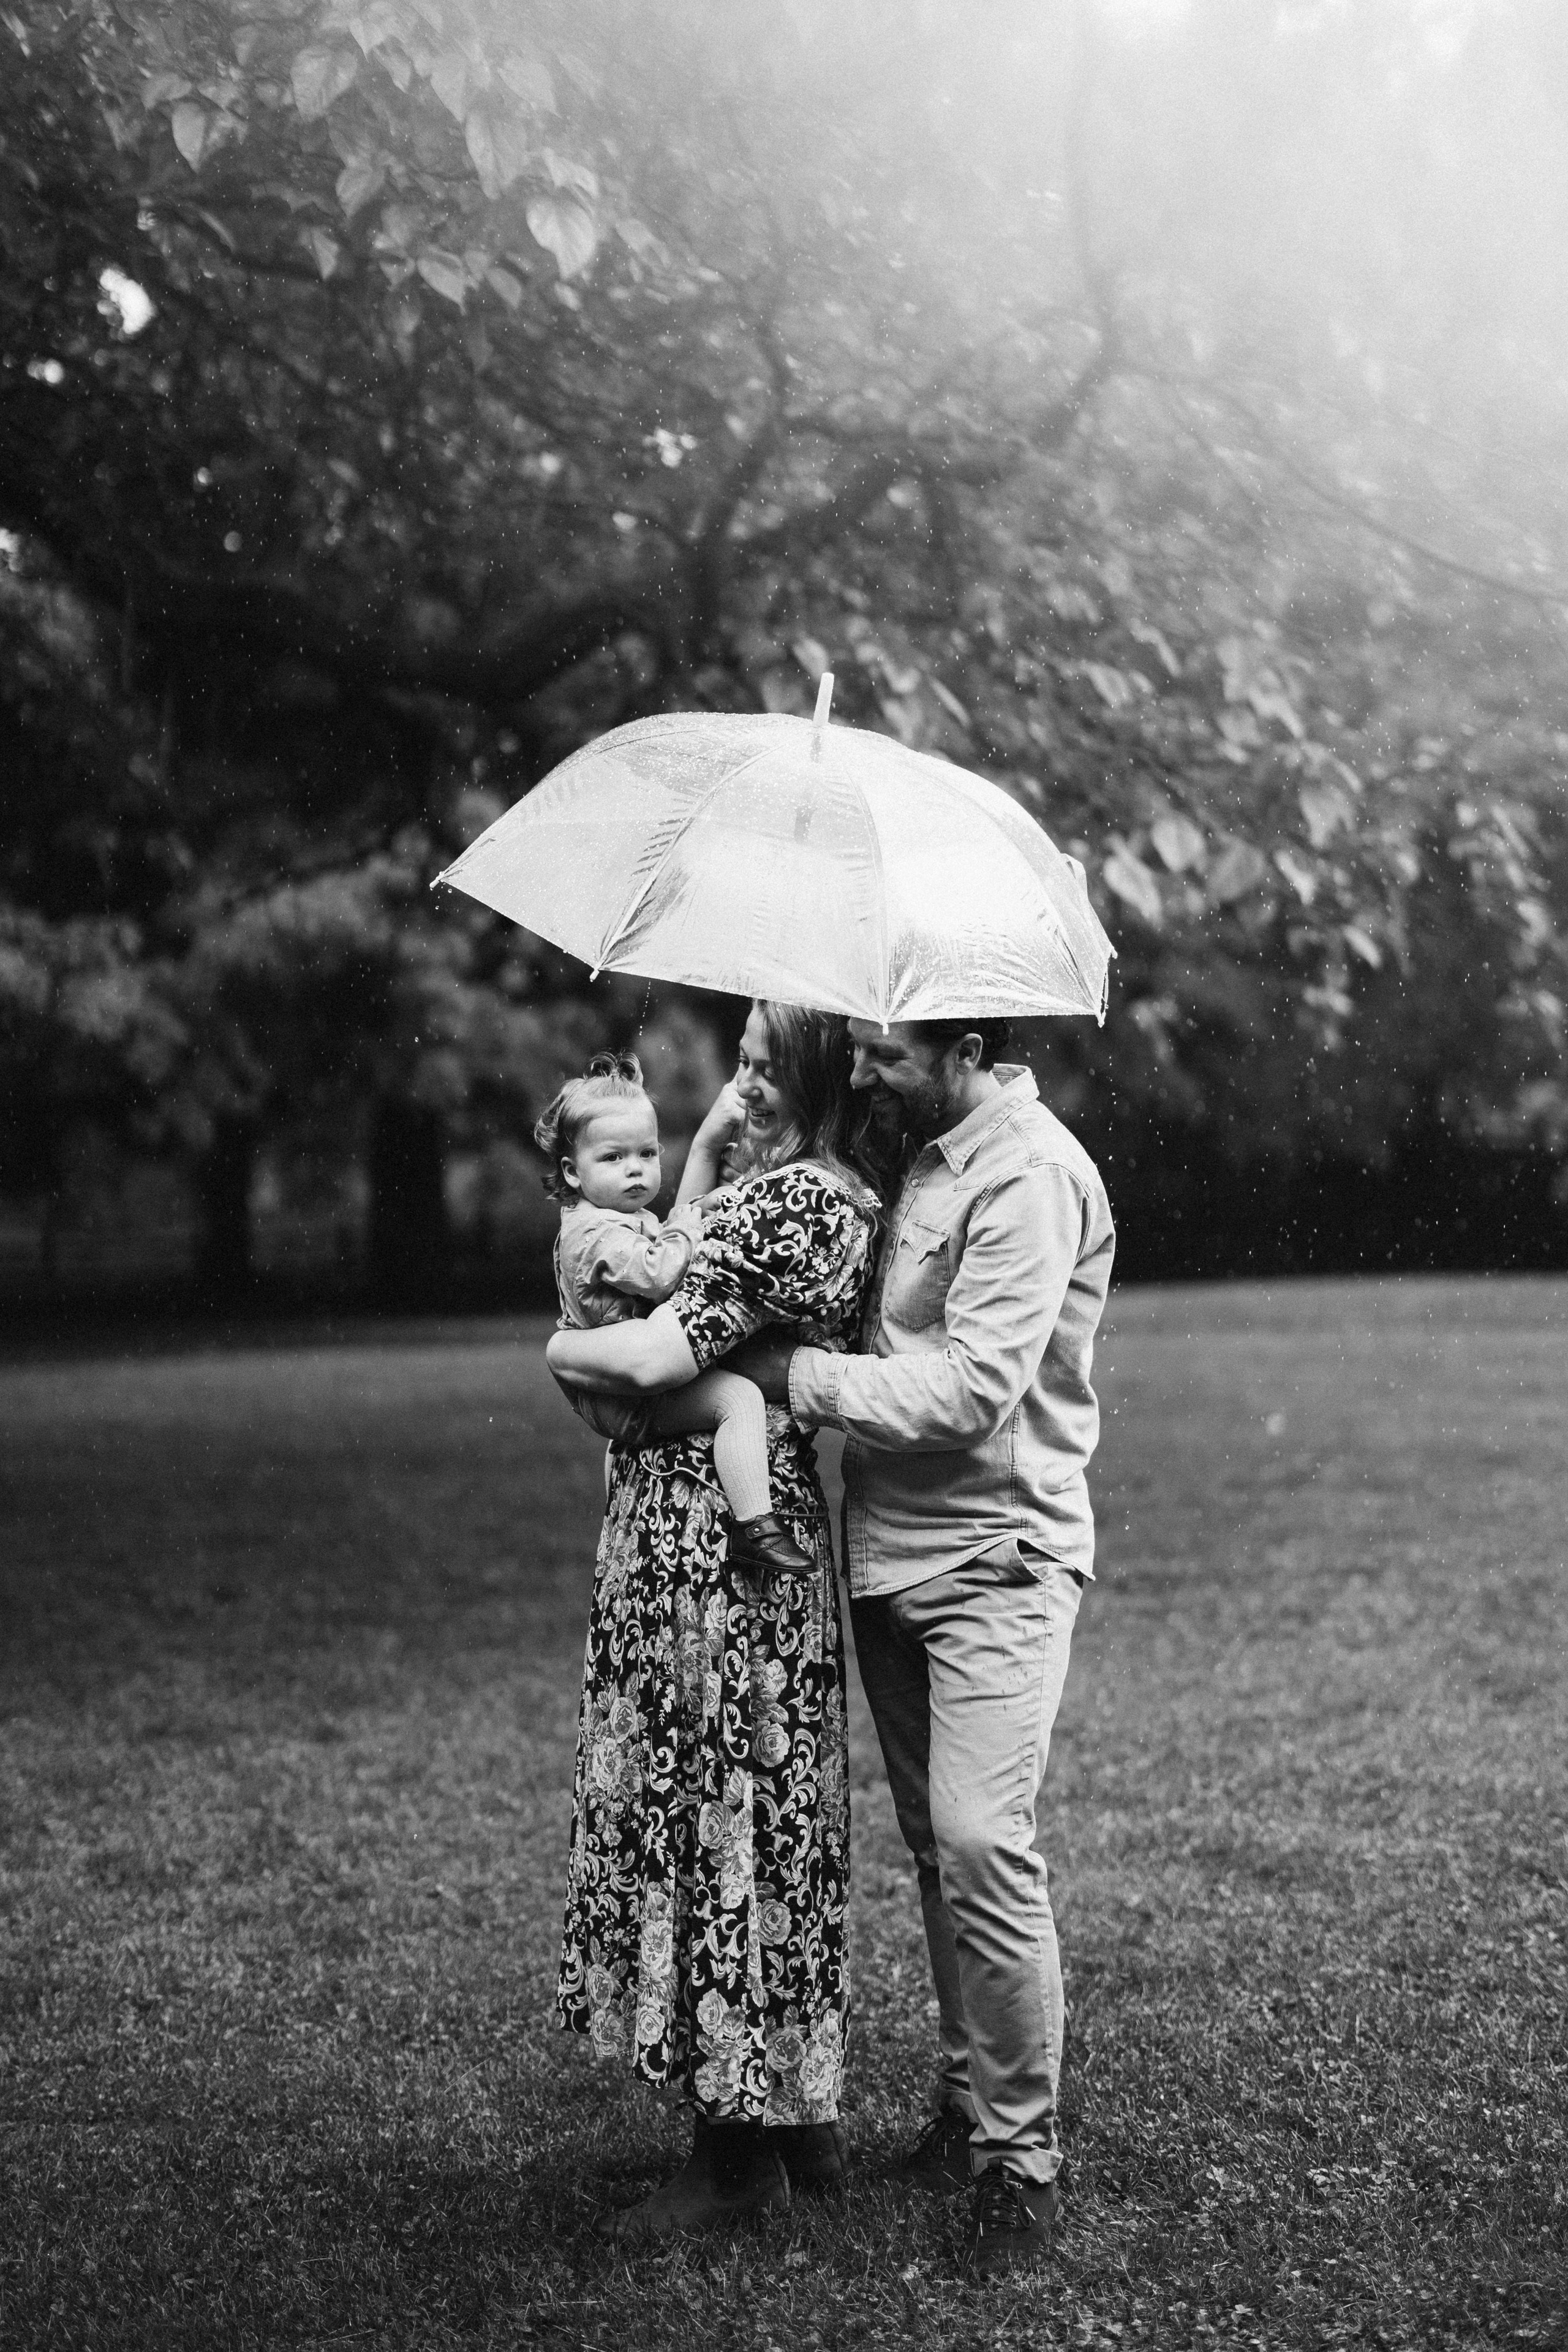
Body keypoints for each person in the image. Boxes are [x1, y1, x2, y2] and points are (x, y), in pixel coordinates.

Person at [729, 1016, 1114, 2280]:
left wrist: (802, 1379)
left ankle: (1020, 2164)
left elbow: (966, 1392)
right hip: (890, 1554)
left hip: (995, 1560)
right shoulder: (925, 1155)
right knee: (933, 1853)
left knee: (978, 1842)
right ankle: (962, 2112)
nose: (859, 1071)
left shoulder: (1028, 1173)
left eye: (880, 1051)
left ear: (956, 1040)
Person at [546, 1001, 891, 2245]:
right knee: (766, 1816)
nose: (736, 1089)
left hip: (715, 1564)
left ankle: (732, 2154)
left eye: (757, 1065)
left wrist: (556, 1350)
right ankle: (797, 2121)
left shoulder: (802, 1202)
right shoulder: (785, 1190)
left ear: (808, 1073)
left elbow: (648, 1358)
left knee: (723, 1816)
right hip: (713, 1543)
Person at [533, 1050, 812, 1581]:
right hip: (627, 1396)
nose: (635, 1169)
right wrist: (687, 1227)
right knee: (739, 1398)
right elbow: (661, 1275)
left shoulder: (613, 1216)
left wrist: (693, 1216)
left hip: (621, 1385)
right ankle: (756, 1527)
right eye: (613, 1158)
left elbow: (660, 1249)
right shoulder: (596, 1236)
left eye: (647, 1152)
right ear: (571, 1171)